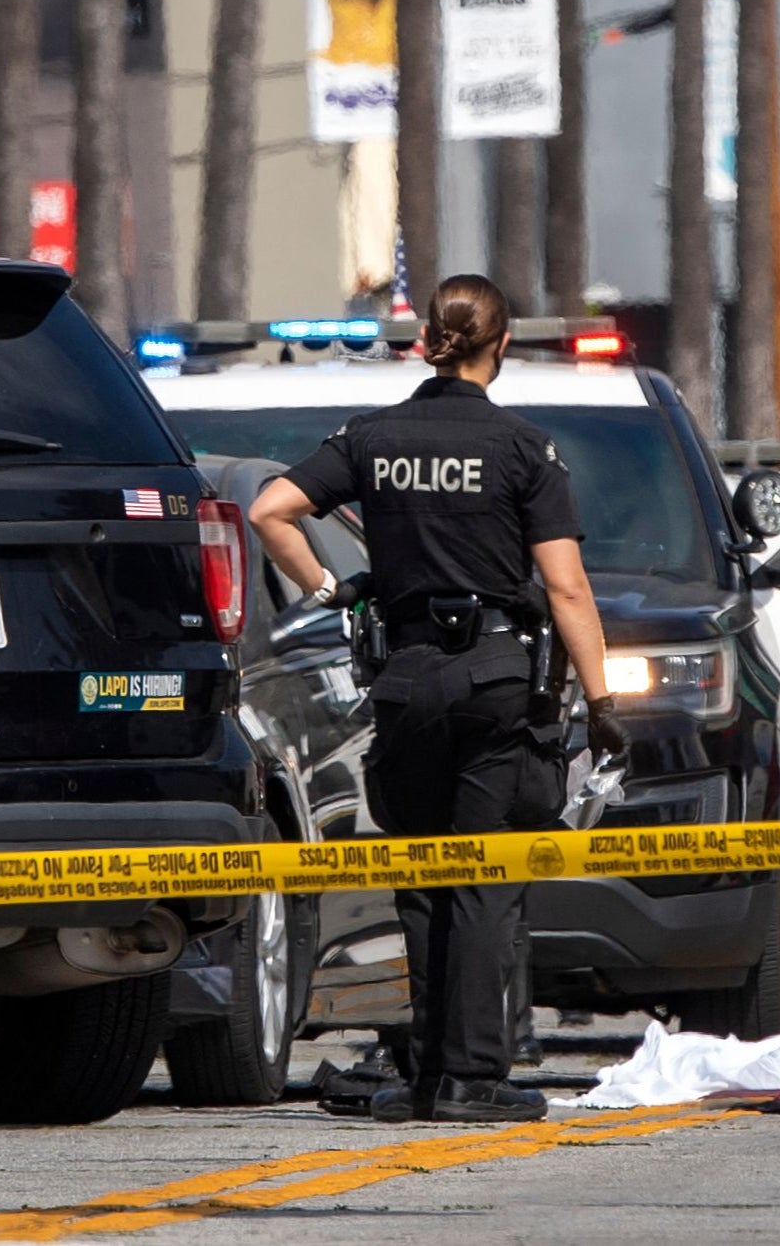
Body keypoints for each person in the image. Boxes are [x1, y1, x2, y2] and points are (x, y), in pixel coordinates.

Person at [250, 274, 629, 1124]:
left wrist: (331, 590)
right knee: (483, 878)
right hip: (495, 679)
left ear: (429, 340)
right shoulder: (525, 449)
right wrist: (601, 704)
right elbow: (566, 589)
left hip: (407, 679)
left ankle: (421, 1076)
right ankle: (473, 1078)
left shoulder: (372, 438)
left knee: (419, 878)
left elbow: (273, 509)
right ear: (501, 344)